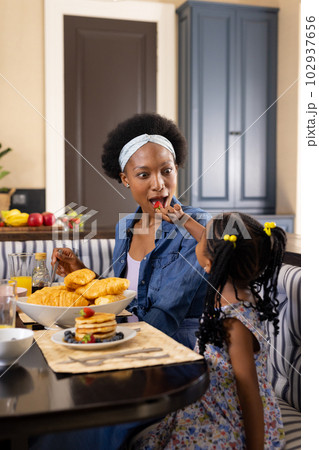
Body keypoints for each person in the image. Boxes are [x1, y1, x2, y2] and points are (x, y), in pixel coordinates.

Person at [52, 113, 210, 350]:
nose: (158, 184)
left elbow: (167, 311)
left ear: (176, 169)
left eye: (166, 171)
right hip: (131, 340)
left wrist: (119, 347)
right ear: (126, 179)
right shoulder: (125, 227)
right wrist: (81, 271)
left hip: (181, 353)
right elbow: (124, 294)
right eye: (143, 174)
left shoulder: (196, 225)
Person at [130, 210, 287, 449]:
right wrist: (184, 219)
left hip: (230, 418)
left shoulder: (233, 322)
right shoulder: (234, 286)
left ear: (210, 263)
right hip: (214, 397)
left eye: (203, 239)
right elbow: (214, 243)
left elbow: (249, 394)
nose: (199, 237)